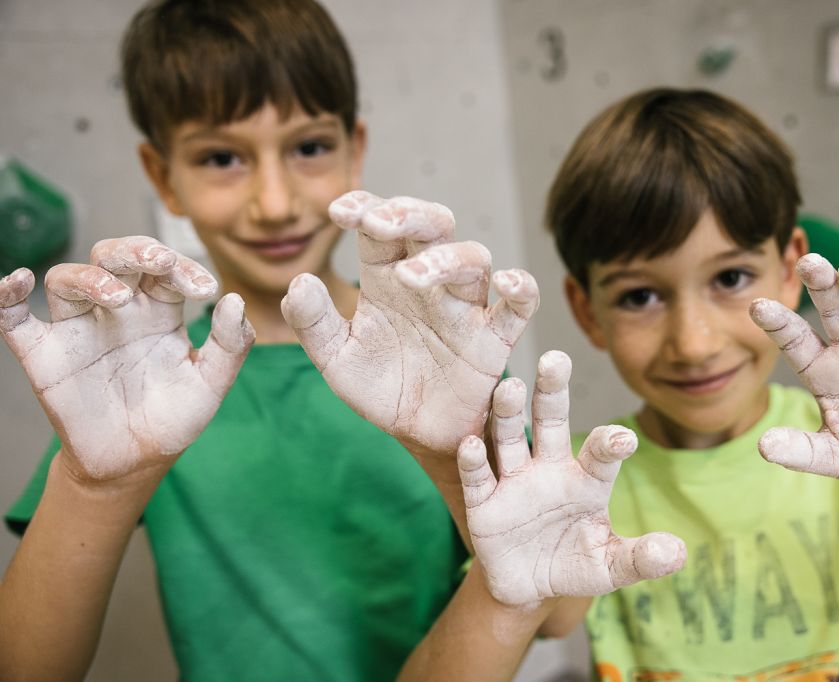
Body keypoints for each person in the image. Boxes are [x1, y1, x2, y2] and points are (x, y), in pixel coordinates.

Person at [397, 87, 839, 681]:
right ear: (587, 310)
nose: (694, 343)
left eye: (729, 279)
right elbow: (540, 613)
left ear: (788, 269)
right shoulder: (579, 481)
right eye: (640, 295)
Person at [0, 1, 538, 680]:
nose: (276, 202)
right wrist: (91, 488)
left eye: (309, 147)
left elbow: (557, 610)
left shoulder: (446, 357)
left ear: (355, 151)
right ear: (164, 176)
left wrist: (449, 462)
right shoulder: (138, 385)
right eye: (222, 157)